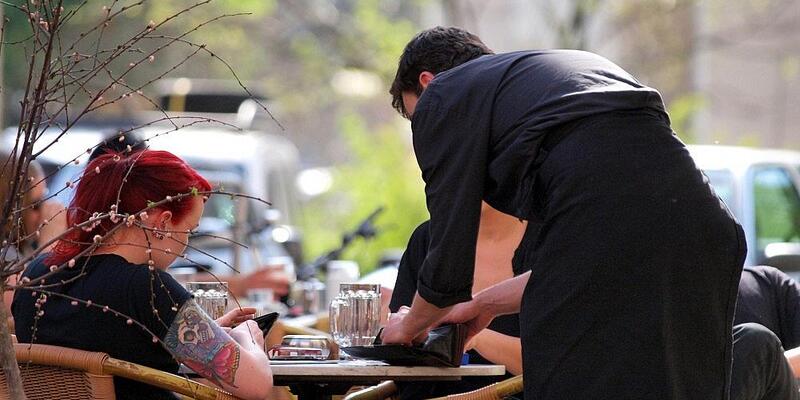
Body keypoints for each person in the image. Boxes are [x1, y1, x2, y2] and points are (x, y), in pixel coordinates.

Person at [380, 26, 746, 399]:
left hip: (625, 226)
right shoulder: (554, 81)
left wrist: (408, 327)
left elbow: (447, 257)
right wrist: (482, 306)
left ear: (427, 83)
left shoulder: (444, 95)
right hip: (709, 227)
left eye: (415, 118)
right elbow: (587, 254)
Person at [12, 150, 272, 400]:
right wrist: (247, 336)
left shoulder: (37, 274)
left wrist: (208, 334)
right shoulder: (147, 288)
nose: (184, 247)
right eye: (189, 231)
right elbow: (257, 385)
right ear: (162, 223)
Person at [390, 203, 533, 398]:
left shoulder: (548, 242)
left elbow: (558, 360)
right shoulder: (428, 239)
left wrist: (473, 337)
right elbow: (396, 347)